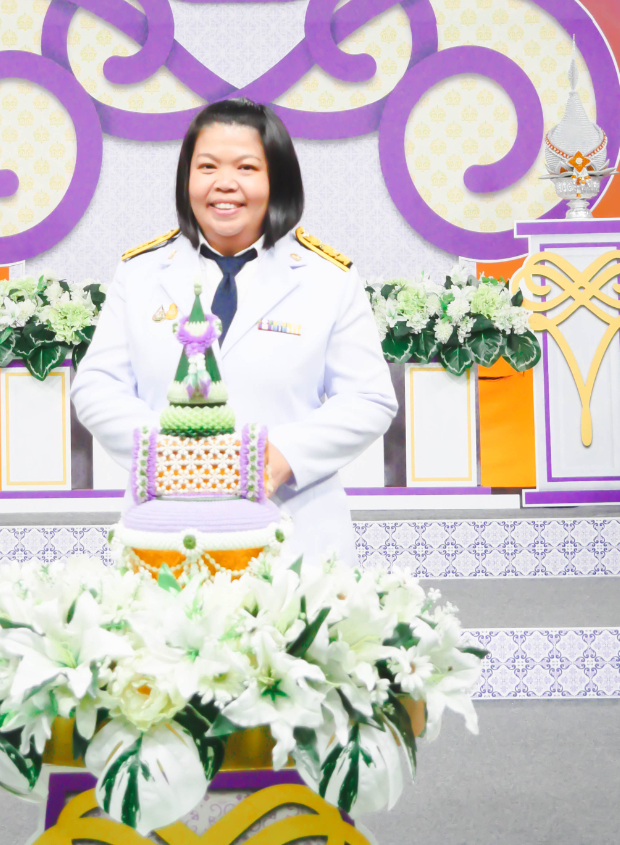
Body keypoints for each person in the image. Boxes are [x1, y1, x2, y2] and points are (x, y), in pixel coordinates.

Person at [70, 98, 397, 563]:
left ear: (276, 178)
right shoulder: (140, 272)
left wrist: (280, 456)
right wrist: (166, 456)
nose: (225, 183)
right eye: (207, 167)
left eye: (246, 167)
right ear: (187, 179)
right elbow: (96, 386)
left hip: (293, 533)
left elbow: (369, 398)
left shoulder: (328, 277)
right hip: (165, 526)